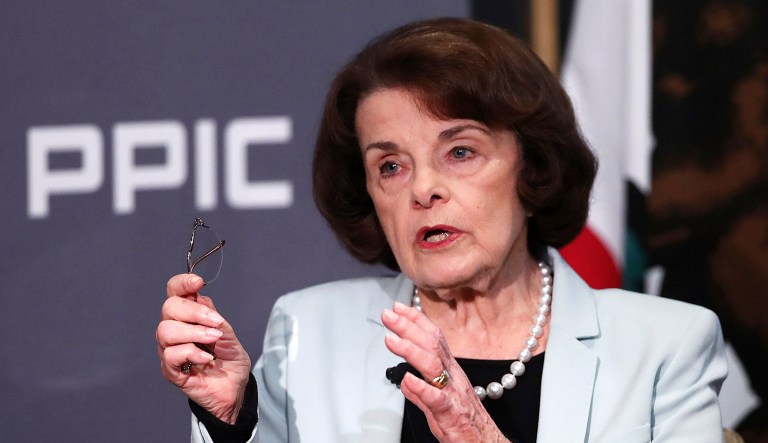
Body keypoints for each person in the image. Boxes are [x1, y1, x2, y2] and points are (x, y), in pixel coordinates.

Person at [156, 17, 728, 442]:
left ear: (532, 166)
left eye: (459, 151)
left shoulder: (664, 346)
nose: (422, 189)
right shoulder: (307, 330)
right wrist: (231, 419)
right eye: (390, 166)